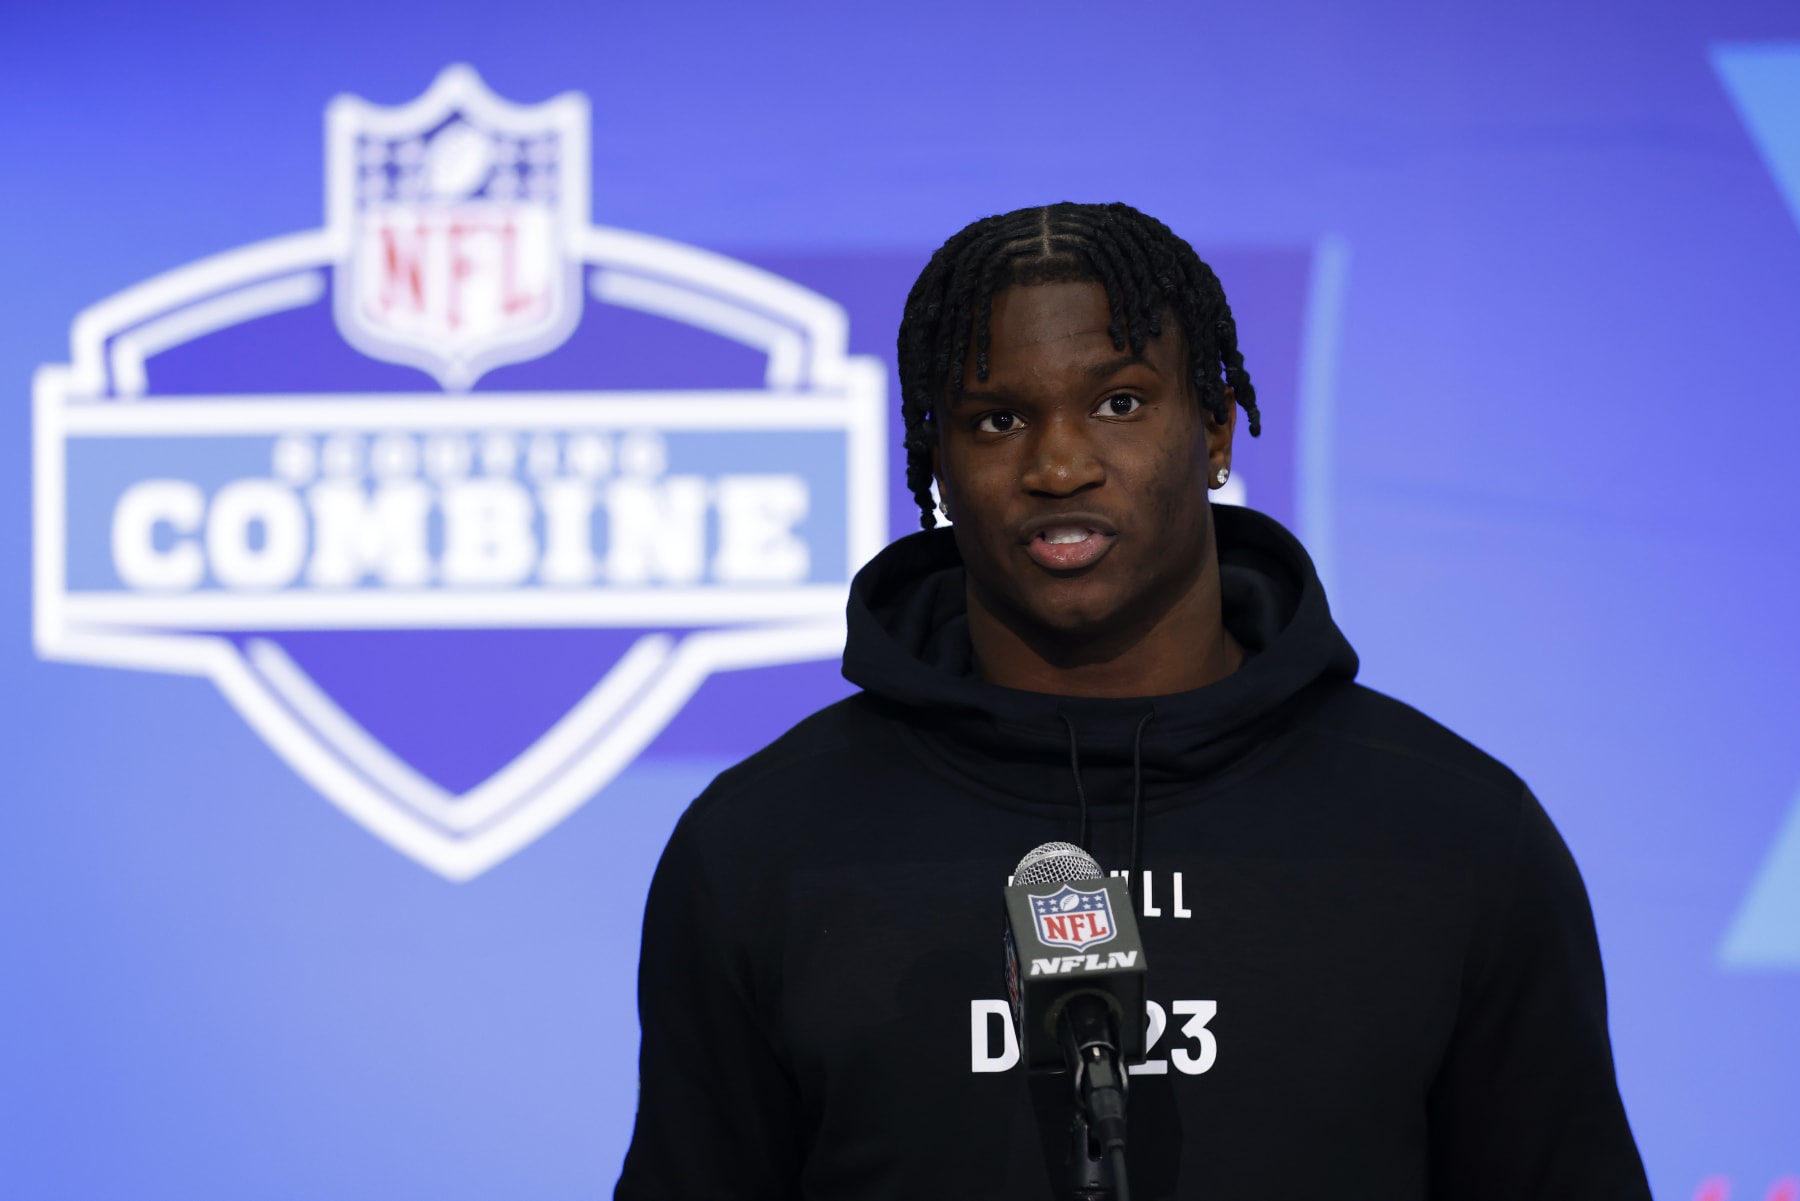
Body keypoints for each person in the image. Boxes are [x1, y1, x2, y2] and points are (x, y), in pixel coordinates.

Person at [614, 202, 1651, 1200]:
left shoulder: (1458, 835)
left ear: (1212, 433)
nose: (1059, 464)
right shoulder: (762, 847)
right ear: (938, 460)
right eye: (999, 417)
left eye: (1118, 402)